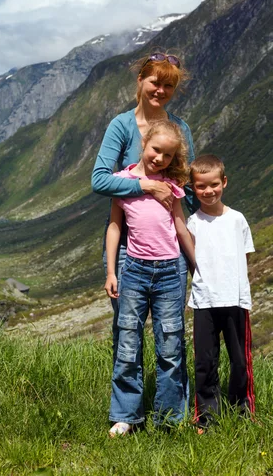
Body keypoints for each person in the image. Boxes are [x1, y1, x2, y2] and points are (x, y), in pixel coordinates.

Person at [91, 51, 198, 395]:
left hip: (169, 252)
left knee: (170, 334)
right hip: (125, 250)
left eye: (168, 85)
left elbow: (190, 187)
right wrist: (146, 186)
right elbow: (99, 180)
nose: (160, 90)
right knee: (127, 334)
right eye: (155, 81)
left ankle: (170, 410)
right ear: (140, 81)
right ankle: (127, 410)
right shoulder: (121, 126)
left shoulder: (179, 129)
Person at [106, 121, 196, 436]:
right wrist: (111, 271)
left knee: (170, 344)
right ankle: (126, 416)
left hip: (171, 271)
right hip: (133, 269)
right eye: (157, 150)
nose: (160, 158)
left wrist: (197, 267)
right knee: (128, 342)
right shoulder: (121, 181)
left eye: (168, 156)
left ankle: (169, 418)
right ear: (145, 142)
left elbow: (181, 227)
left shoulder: (172, 186)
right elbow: (115, 227)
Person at [187, 155, 255, 431]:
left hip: (236, 300)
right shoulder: (192, 223)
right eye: (201, 186)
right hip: (204, 301)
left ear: (224, 182)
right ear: (193, 188)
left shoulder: (237, 220)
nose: (208, 191)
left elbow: (245, 257)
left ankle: (242, 412)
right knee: (205, 361)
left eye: (214, 184)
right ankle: (206, 417)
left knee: (240, 361)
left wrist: (240, 288)